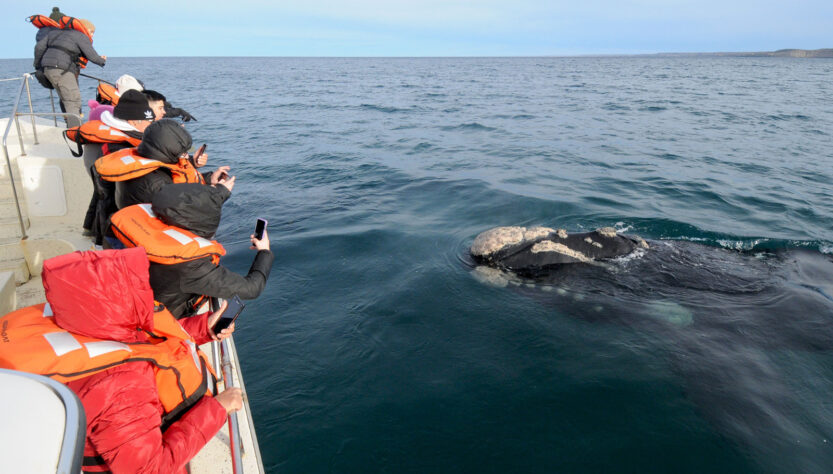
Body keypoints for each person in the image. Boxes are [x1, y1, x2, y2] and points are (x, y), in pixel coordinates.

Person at [0, 247, 242, 473]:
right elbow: (148, 468)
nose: (147, 292)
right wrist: (218, 408)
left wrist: (203, 328)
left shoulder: (72, 315)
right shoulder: (120, 387)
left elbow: (133, 342)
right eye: (139, 287)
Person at [110, 183, 274, 319]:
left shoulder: (140, 232)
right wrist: (264, 252)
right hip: (161, 324)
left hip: (129, 304)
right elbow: (251, 288)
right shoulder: (191, 265)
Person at [66, 90, 155, 245]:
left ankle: (93, 232)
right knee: (107, 203)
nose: (151, 126)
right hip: (114, 215)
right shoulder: (118, 144)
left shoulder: (112, 133)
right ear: (134, 122)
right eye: (149, 122)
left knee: (101, 199)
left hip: (99, 180)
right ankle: (103, 239)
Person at [95, 119, 229, 209]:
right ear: (164, 149)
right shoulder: (155, 183)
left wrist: (208, 179)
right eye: (182, 153)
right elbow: (186, 212)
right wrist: (218, 193)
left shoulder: (150, 162)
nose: (186, 156)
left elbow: (179, 186)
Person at [33, 18, 106, 128]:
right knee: (73, 100)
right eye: (92, 32)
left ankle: (69, 124)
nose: (92, 35)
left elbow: (39, 47)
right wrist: (102, 60)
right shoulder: (80, 36)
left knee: (65, 98)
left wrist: (37, 65)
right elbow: (92, 56)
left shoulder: (54, 33)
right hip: (62, 70)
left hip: (48, 69)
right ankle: (75, 132)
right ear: (85, 29)